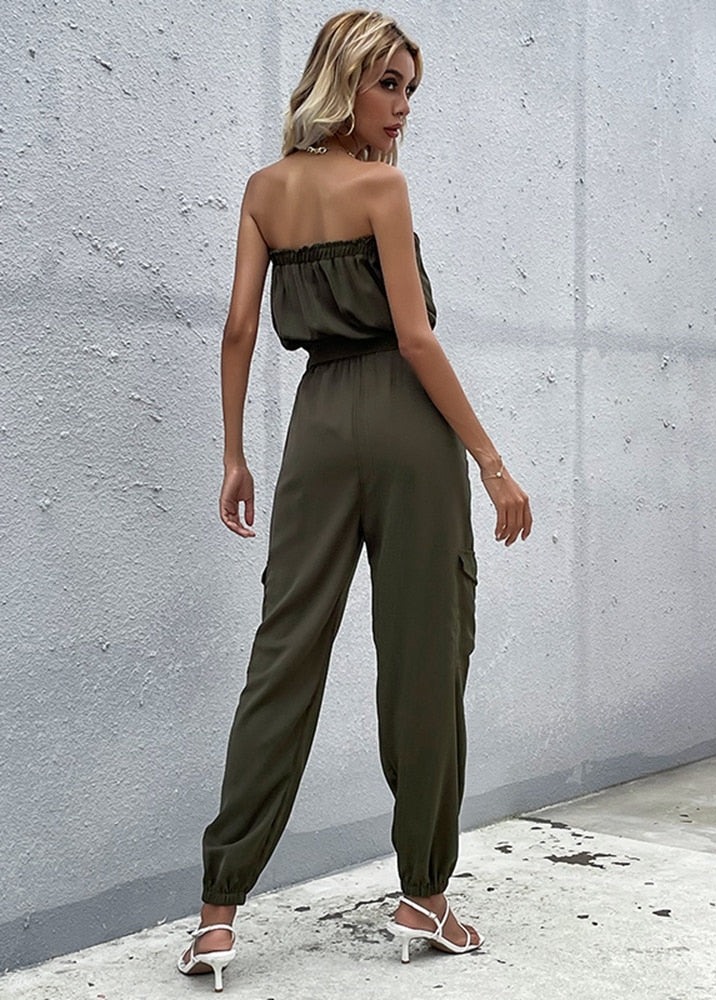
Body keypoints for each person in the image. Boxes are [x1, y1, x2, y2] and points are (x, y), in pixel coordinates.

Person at [177, 9, 532, 991]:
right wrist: (492, 461)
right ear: (343, 79)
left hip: (317, 426)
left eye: (410, 88)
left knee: (284, 650)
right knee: (425, 653)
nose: (403, 106)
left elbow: (238, 330)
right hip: (406, 425)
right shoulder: (383, 189)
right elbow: (414, 338)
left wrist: (233, 454)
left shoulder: (264, 191)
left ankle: (216, 916)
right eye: (388, 83)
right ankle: (424, 895)